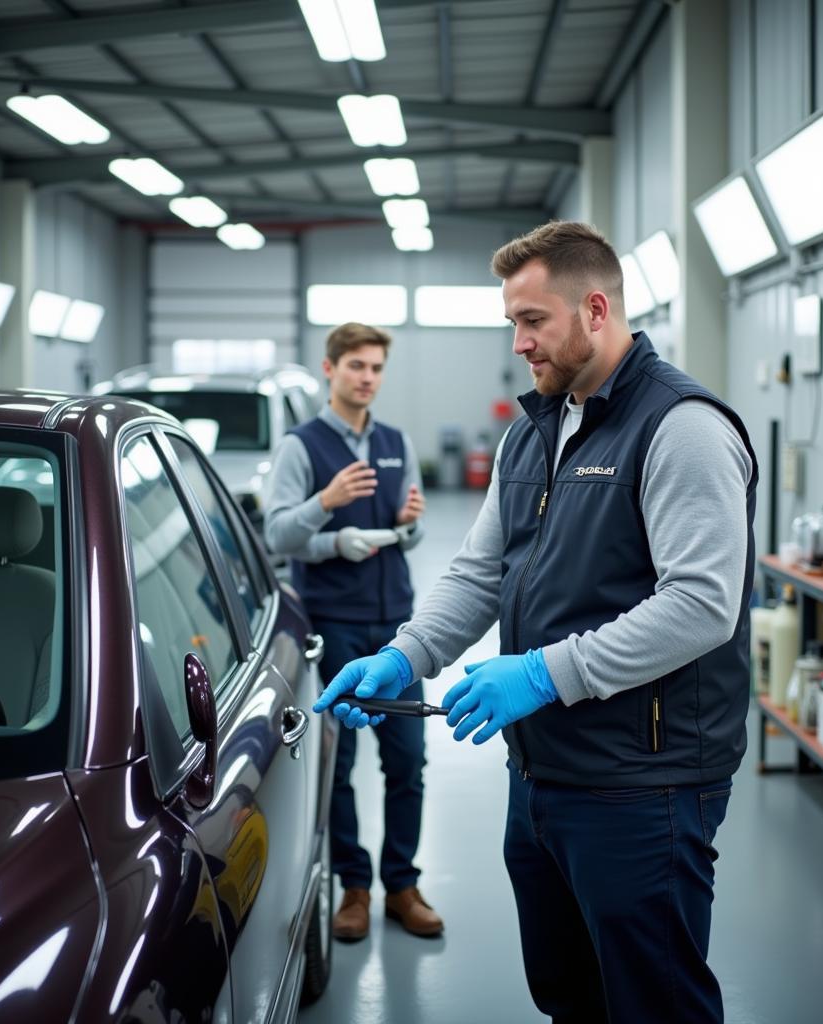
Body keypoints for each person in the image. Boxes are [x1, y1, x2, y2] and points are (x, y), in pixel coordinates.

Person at [314, 221, 758, 1023]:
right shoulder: (533, 431)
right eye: (511, 322)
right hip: (543, 771)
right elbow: (481, 570)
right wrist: (404, 656)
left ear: (595, 309)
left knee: (653, 1003)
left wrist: (544, 672)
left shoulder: (681, 428)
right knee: (568, 993)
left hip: (643, 781)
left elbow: (701, 605)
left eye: (531, 320)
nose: (518, 343)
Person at [264, 321, 442, 942]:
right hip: (334, 621)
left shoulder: (395, 441)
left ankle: (402, 884)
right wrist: (329, 510)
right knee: (339, 766)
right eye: (356, 366)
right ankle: (353, 887)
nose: (367, 378)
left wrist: (409, 522)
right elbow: (278, 535)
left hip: (395, 619)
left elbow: (410, 533)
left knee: (408, 760)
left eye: (375, 368)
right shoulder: (302, 446)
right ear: (330, 368)